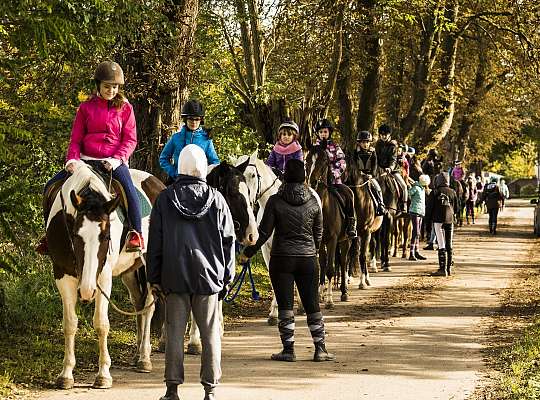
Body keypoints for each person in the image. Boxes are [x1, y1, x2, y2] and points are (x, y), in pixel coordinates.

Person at [147, 144, 236, 400]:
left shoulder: (165, 199)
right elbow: (228, 241)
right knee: (209, 335)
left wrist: (154, 278)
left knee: (174, 333)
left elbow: (156, 242)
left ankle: (172, 389)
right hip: (209, 277)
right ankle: (210, 389)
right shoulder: (217, 199)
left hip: (174, 276)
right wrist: (227, 277)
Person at [36, 60, 143, 254]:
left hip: (113, 161)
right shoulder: (86, 107)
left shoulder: (126, 109)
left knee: (129, 190)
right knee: (50, 186)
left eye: (115, 87)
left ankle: (136, 233)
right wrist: (72, 160)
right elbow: (76, 138)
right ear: (98, 86)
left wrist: (117, 159)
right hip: (85, 160)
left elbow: (130, 140)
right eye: (107, 86)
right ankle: (49, 236)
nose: (111, 90)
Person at [240, 159, 334, 363]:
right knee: (312, 305)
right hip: (308, 259)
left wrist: (248, 253)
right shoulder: (313, 200)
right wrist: (312, 252)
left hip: (281, 259)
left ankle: (288, 350)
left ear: (284, 176)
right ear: (303, 176)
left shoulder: (275, 201)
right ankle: (320, 349)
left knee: (285, 306)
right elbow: (318, 233)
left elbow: (264, 233)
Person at [159, 100, 220, 183]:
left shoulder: (206, 140)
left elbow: (215, 162)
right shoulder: (176, 138)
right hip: (177, 180)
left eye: (197, 119)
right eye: (190, 119)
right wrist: (174, 173)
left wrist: (205, 175)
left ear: (201, 120)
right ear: (185, 119)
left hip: (200, 182)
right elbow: (163, 159)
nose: (194, 122)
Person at [314, 118, 356, 237]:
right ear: (318, 133)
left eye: (325, 132)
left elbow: (342, 162)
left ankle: (351, 223)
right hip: (317, 183)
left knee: (349, 194)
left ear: (329, 133)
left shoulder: (335, 147)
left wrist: (334, 174)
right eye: (321, 132)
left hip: (334, 182)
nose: (323, 134)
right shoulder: (314, 148)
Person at [425, 172, 458, 276]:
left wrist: (428, 223)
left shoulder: (434, 192)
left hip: (438, 220)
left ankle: (442, 269)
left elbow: (429, 209)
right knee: (449, 243)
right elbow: (457, 208)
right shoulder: (453, 192)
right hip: (450, 220)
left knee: (441, 243)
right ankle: (449, 268)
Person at [374, 124, 408, 212]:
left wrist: (390, 168)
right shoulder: (378, 144)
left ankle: (404, 204)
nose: (383, 136)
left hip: (393, 170)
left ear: (389, 135)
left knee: (404, 186)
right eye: (381, 135)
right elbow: (375, 157)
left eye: (385, 134)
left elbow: (393, 159)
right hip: (380, 169)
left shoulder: (393, 146)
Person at [352, 130, 386, 216]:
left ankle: (380, 205)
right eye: (363, 142)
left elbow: (375, 165)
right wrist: (358, 172)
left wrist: (372, 175)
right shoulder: (355, 152)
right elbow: (354, 164)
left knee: (377, 188)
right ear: (359, 143)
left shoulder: (373, 152)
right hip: (358, 175)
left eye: (367, 142)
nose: (365, 144)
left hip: (369, 176)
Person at [408, 175, 431, 261]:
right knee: (415, 232)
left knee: (417, 233)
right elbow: (409, 193)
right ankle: (411, 253)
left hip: (421, 212)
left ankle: (416, 251)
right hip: (415, 212)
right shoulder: (417, 188)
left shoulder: (422, 189)